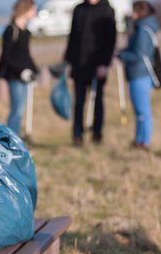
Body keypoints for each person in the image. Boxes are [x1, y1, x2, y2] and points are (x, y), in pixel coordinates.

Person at [65, 0, 117, 146]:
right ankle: (77, 134)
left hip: (98, 64)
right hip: (79, 65)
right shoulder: (79, 9)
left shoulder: (107, 10)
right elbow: (73, 36)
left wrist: (105, 64)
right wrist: (69, 60)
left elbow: (111, 39)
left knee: (98, 100)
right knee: (79, 102)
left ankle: (97, 133)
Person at [117, 1, 159, 150]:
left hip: (139, 74)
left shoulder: (142, 30)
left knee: (142, 111)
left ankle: (144, 141)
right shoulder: (144, 28)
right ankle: (139, 139)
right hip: (139, 74)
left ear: (139, 12)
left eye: (133, 11)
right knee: (140, 111)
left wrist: (122, 55)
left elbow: (139, 55)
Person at [0, 0, 39, 136]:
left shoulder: (26, 31)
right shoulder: (10, 30)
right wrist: (21, 71)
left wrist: (33, 70)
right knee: (17, 110)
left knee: (20, 109)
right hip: (14, 76)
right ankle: (12, 139)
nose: (35, 13)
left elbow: (26, 55)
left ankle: (16, 137)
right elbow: (7, 56)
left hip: (24, 75)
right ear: (25, 10)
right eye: (33, 10)